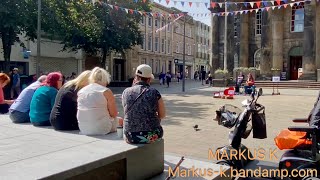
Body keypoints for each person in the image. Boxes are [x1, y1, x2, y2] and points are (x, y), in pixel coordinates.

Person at [122, 64, 166, 144]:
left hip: (130, 136)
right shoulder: (154, 92)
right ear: (149, 79)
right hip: (151, 135)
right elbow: (162, 115)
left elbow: (127, 112)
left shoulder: (126, 92)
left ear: (136, 77)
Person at [77, 67, 118, 135]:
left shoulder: (81, 91)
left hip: (83, 128)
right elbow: (114, 114)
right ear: (105, 79)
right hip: (101, 129)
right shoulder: (106, 91)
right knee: (120, 120)